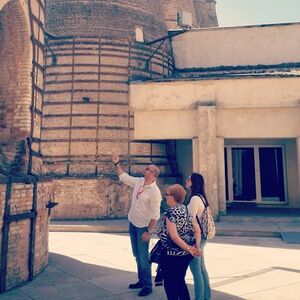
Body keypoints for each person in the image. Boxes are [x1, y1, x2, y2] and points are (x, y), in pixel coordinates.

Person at [112, 153, 161, 297]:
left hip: (143, 228)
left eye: (148, 169)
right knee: (137, 255)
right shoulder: (139, 181)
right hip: (132, 222)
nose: (144, 170)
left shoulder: (155, 192)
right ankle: (141, 280)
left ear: (153, 175)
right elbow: (124, 177)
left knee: (143, 257)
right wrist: (116, 164)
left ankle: (147, 285)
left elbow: (155, 215)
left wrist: (149, 231)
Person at [157, 184, 201, 300]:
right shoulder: (186, 209)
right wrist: (196, 246)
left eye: (167, 194)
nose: (165, 197)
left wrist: (189, 248)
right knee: (180, 281)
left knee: (170, 284)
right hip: (185, 256)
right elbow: (197, 231)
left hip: (172, 255)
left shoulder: (171, 213)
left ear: (173, 197)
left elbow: (174, 237)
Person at [186, 173, 212, 300]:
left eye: (188, 179)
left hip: (196, 238)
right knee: (201, 269)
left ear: (193, 182)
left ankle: (200, 298)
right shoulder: (201, 197)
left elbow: (189, 220)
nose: (186, 180)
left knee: (196, 271)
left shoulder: (194, 199)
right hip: (201, 237)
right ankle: (206, 297)